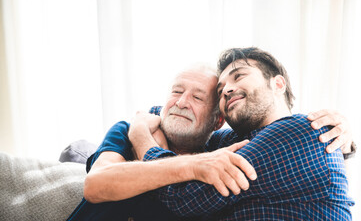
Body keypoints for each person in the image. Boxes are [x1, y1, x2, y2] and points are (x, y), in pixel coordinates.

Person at [68, 59, 354, 220]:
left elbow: (180, 198)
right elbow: (96, 184)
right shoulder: (225, 141)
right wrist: (142, 129)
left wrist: (143, 137)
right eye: (176, 92)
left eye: (198, 97)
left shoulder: (294, 132)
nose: (181, 102)